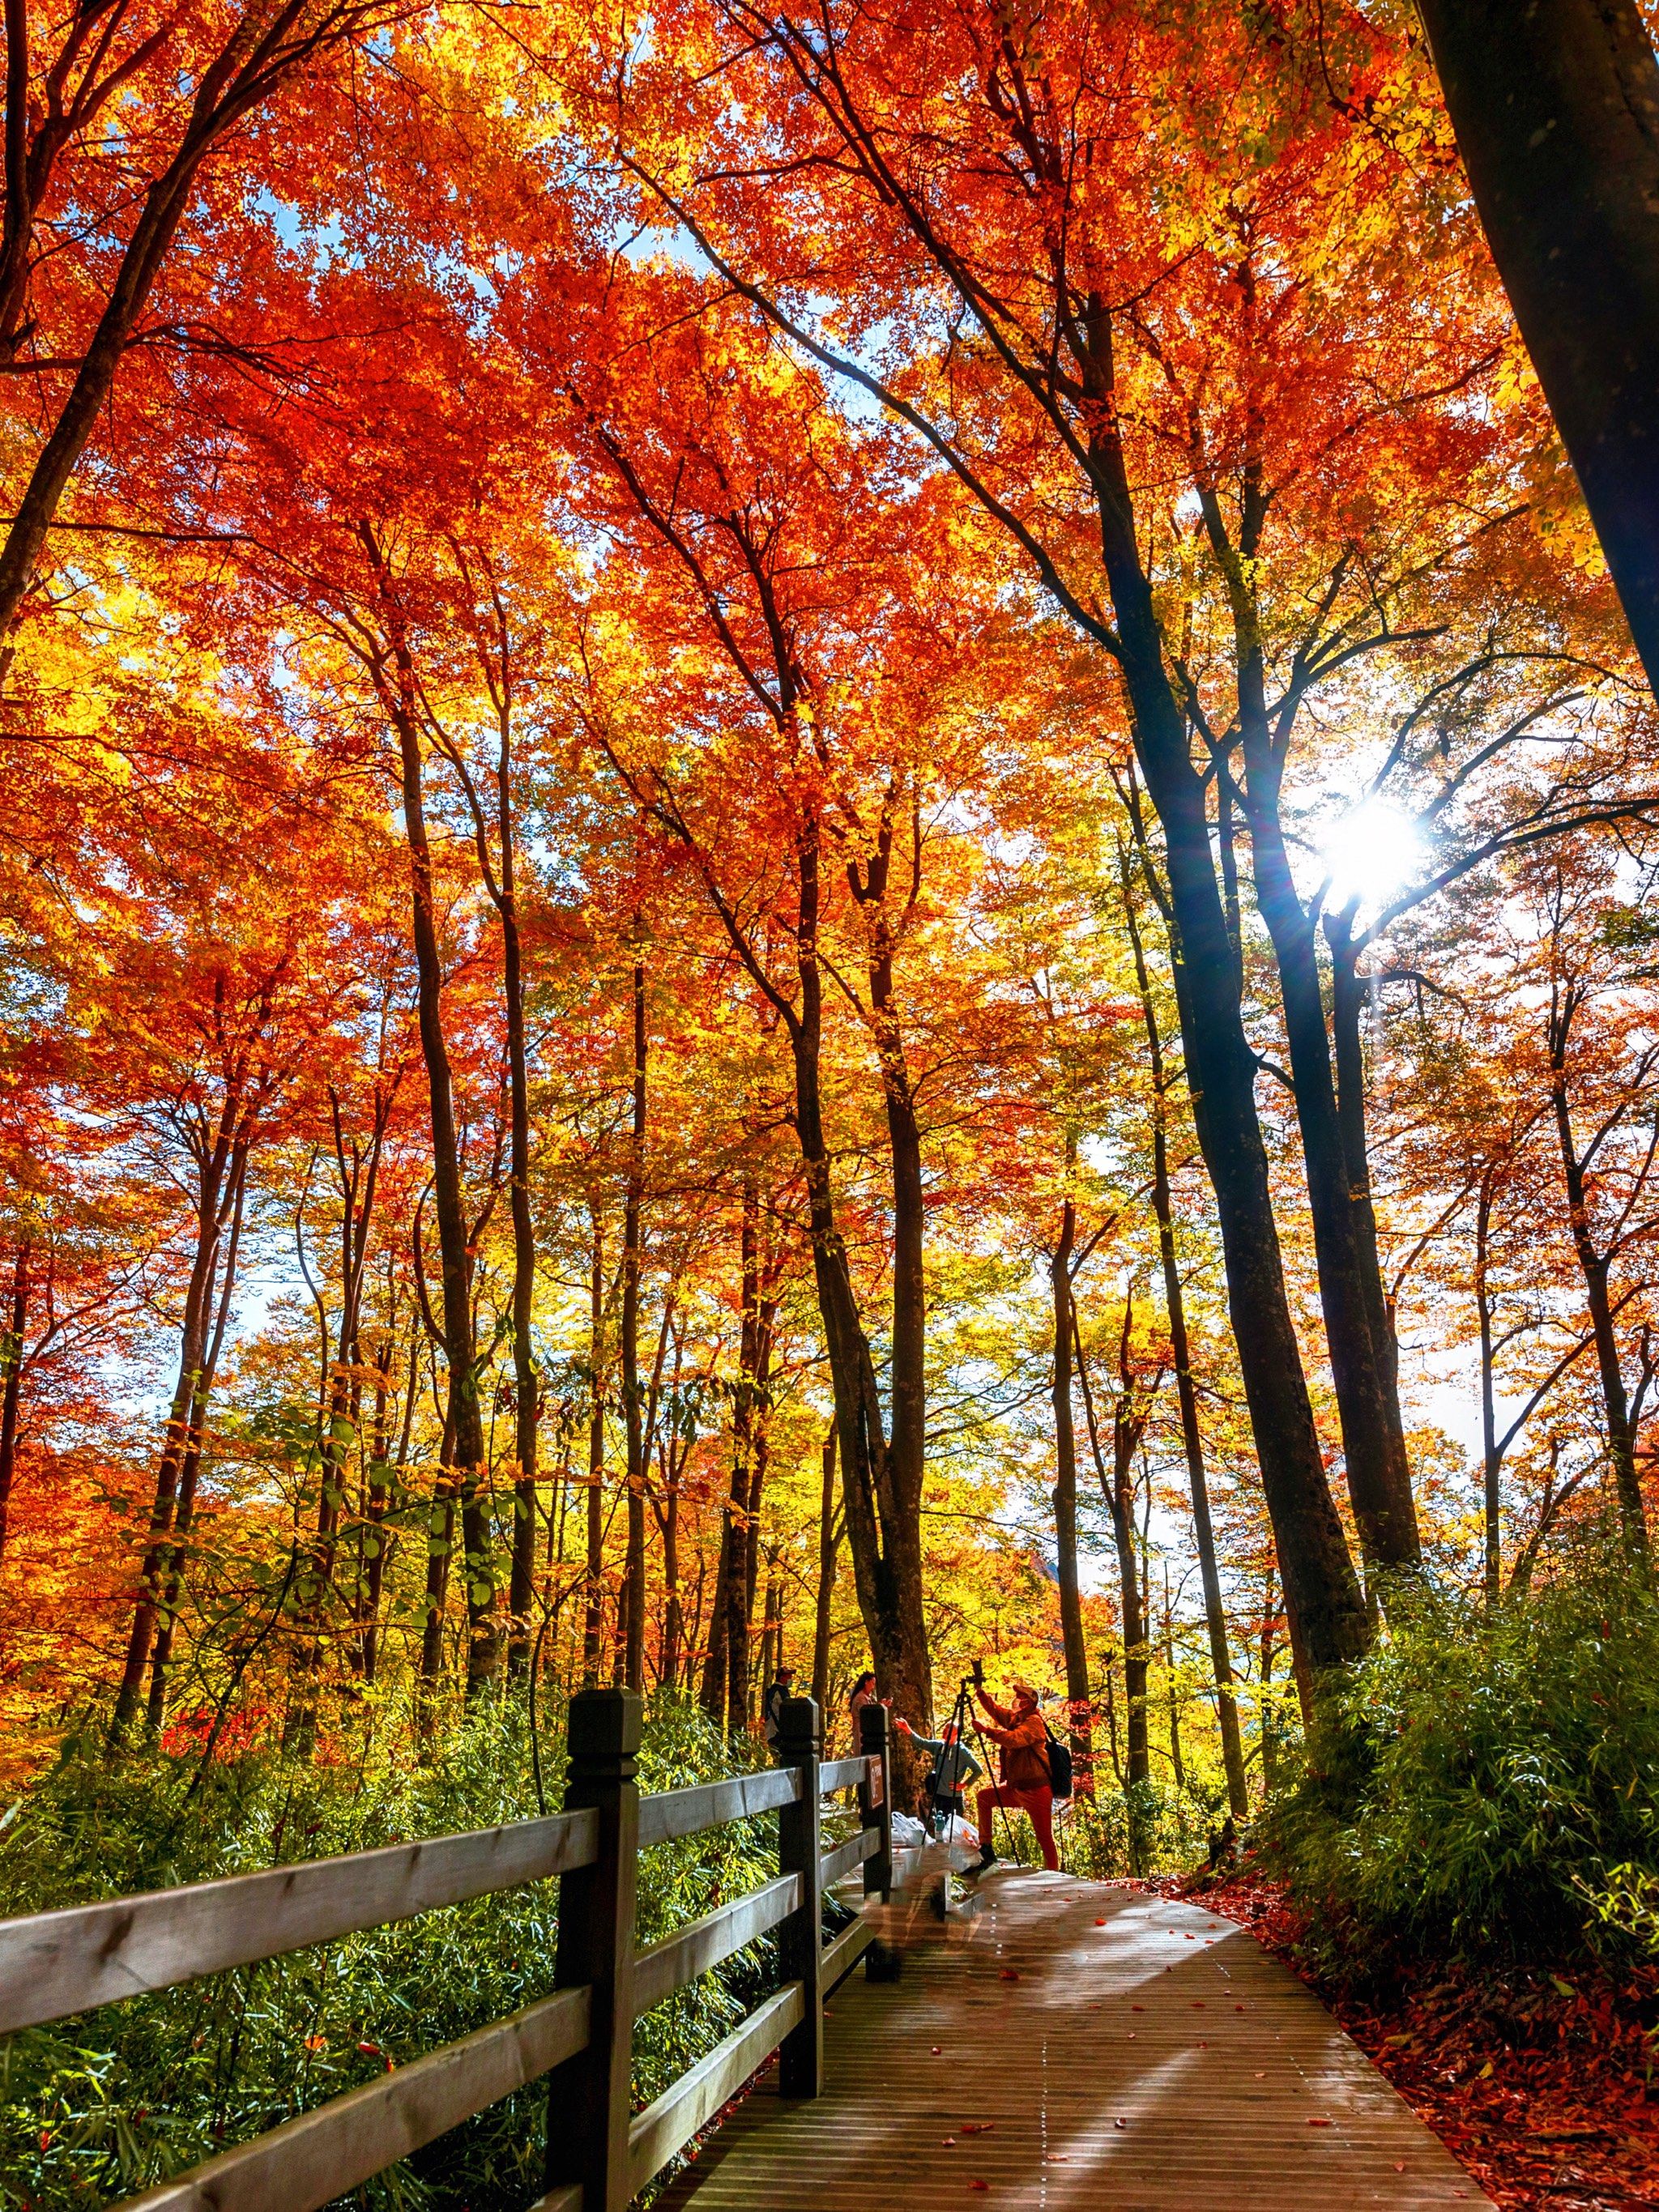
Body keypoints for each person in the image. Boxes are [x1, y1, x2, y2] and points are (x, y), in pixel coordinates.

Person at [970, 1661, 1058, 1872]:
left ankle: (1054, 1873)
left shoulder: (1034, 1723)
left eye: (1021, 1698)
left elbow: (1015, 1740)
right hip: (1017, 1788)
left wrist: (987, 1731)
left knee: (1044, 1837)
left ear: (1029, 1702)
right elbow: (996, 1711)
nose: (1016, 1701)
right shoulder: (1016, 1718)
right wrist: (980, 1694)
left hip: (1036, 1790)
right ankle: (986, 1846)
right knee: (984, 1797)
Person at [895, 1715, 983, 1835]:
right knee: (941, 1828)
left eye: (948, 1732)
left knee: (955, 1830)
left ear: (956, 1735)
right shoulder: (939, 1746)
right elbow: (921, 1743)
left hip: (954, 1798)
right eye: (945, 1731)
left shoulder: (962, 1752)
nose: (945, 1734)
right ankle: (943, 1850)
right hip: (939, 1795)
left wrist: (964, 1785)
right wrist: (907, 1729)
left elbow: (978, 1770)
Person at [762, 1661, 796, 1749]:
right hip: (776, 1732)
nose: (791, 1679)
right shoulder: (779, 1691)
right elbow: (788, 1709)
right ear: (782, 1678)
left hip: (773, 1732)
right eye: (789, 1677)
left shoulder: (776, 1690)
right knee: (781, 1759)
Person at [847, 1669, 876, 1749]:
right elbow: (868, 1714)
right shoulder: (861, 1698)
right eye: (872, 1684)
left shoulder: (867, 1697)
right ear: (866, 1682)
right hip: (861, 1731)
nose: (873, 1687)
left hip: (866, 1731)